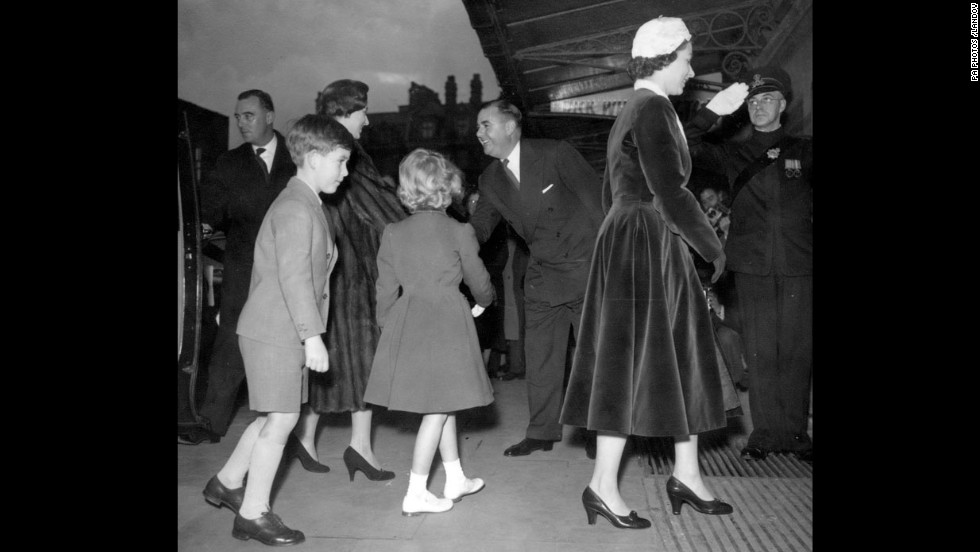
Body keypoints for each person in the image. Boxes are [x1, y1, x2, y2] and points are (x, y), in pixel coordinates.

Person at [560, 17, 745, 528]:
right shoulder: (654, 108)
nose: (691, 69)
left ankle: (687, 473)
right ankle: (601, 486)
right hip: (648, 243)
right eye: (687, 59)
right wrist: (713, 249)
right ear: (666, 59)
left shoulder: (637, 108)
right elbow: (670, 190)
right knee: (634, 363)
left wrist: (711, 114)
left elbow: (626, 182)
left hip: (631, 239)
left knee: (673, 355)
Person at [202, 115, 353, 546]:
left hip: (276, 328)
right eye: (340, 162)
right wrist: (312, 336)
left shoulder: (306, 202)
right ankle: (253, 513)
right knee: (283, 419)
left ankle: (227, 481)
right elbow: (294, 278)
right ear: (313, 156)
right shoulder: (294, 207)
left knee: (273, 415)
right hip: (277, 330)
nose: (345, 172)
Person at [685, 65, 813, 463]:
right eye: (753, 101)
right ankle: (765, 434)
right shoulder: (733, 151)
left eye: (767, 99)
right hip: (753, 265)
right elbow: (682, 140)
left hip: (799, 262)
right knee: (759, 351)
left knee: (795, 350)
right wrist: (714, 112)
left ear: (783, 105)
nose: (760, 106)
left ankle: (796, 434)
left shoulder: (805, 150)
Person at [363, 148, 495, 516]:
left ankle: (455, 478)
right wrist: (485, 299)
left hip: (409, 319)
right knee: (436, 411)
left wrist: (390, 328)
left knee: (444, 401)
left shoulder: (392, 232)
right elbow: (478, 280)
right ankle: (416, 491)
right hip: (447, 321)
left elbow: (384, 290)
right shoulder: (459, 230)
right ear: (445, 187)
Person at [469, 99, 604, 457]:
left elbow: (599, 206)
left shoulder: (555, 153)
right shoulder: (490, 178)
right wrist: (445, 233)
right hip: (542, 274)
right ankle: (542, 431)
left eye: (486, 125)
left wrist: (610, 263)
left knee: (592, 355)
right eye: (478, 127)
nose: (478, 133)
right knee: (540, 356)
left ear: (510, 126)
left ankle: (598, 430)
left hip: (584, 268)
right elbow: (480, 228)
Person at [290, 79, 406, 480]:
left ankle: (307, 438)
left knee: (332, 361)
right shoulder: (349, 155)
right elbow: (383, 211)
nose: (367, 119)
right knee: (361, 358)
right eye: (362, 112)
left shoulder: (322, 150)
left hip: (332, 269)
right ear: (344, 113)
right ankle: (358, 447)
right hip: (352, 274)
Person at [180, 90, 296, 445]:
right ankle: (212, 423)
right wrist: (198, 229)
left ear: (270, 116)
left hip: (290, 264)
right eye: (238, 117)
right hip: (243, 266)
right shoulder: (227, 164)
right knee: (230, 342)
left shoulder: (298, 158)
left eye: (249, 115)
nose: (242, 122)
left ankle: (297, 430)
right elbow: (211, 211)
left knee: (293, 343)